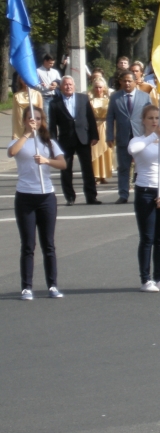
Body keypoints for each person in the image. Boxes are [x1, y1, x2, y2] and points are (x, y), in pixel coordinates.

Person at [9, 107, 66, 299]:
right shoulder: (20, 141)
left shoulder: (48, 142)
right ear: (25, 120)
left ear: (43, 121)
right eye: (31, 118)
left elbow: (63, 163)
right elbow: (11, 152)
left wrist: (46, 161)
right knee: (28, 244)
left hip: (46, 197)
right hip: (25, 197)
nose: (35, 121)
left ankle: (52, 285)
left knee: (48, 244)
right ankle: (26, 287)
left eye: (39, 118)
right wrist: (26, 134)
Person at [128, 104, 160, 292]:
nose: (154, 122)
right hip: (145, 191)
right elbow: (133, 150)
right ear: (143, 120)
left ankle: (159, 277)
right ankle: (146, 279)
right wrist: (152, 137)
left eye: (157, 118)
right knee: (147, 237)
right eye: (150, 118)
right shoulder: (139, 140)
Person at [48, 75, 101, 206]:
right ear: (61, 87)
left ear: (74, 86)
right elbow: (52, 126)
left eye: (70, 84)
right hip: (66, 140)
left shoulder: (83, 99)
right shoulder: (55, 103)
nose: (68, 87)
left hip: (83, 138)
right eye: (65, 84)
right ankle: (70, 197)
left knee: (88, 169)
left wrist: (94, 135)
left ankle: (91, 197)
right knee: (66, 169)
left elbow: (90, 118)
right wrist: (53, 144)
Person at [107, 71, 150, 204]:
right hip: (123, 136)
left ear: (135, 81)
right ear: (120, 82)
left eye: (129, 81)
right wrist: (109, 136)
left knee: (143, 166)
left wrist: (152, 135)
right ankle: (123, 194)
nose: (127, 83)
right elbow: (110, 118)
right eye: (124, 81)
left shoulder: (145, 97)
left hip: (141, 136)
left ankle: (145, 192)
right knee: (123, 167)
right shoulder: (115, 97)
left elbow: (151, 117)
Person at [89, 78, 113, 185]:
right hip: (95, 126)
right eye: (96, 87)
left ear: (104, 88)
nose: (98, 89)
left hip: (106, 126)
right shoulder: (90, 101)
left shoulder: (109, 100)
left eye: (100, 87)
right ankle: (95, 176)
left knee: (106, 151)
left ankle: (103, 176)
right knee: (94, 151)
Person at [11, 75, 44, 140]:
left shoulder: (37, 94)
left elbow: (41, 112)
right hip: (20, 124)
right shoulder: (16, 95)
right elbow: (15, 115)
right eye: (23, 79)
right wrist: (14, 133)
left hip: (33, 123)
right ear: (20, 80)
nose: (25, 81)